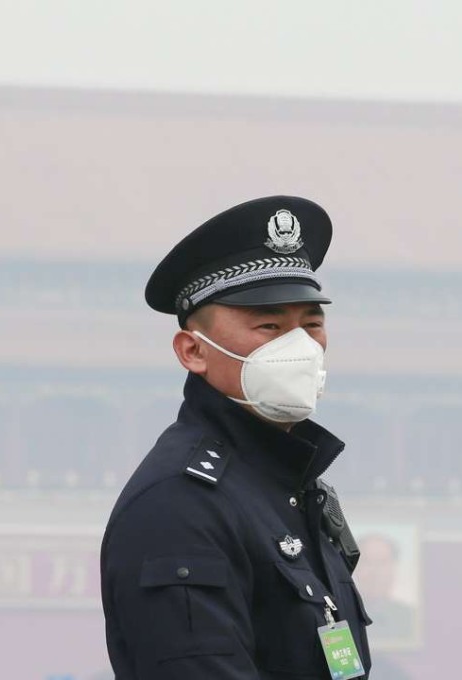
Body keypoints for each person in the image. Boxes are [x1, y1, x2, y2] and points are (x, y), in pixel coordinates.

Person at [100, 196, 372, 678]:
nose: (301, 346)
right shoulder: (181, 504)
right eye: (269, 325)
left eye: (312, 323)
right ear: (192, 351)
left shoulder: (291, 489)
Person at [354, 534, 417, 643]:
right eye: (367, 562)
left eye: (382, 562)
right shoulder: (340, 614)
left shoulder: (411, 617)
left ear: (394, 569)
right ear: (355, 568)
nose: (374, 572)